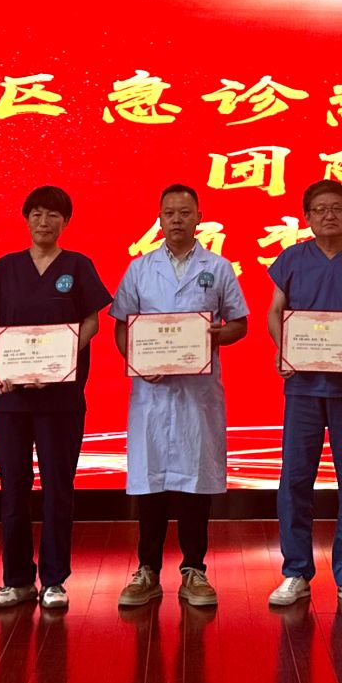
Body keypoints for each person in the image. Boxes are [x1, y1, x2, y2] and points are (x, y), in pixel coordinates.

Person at [0, 185, 113, 612]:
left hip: (61, 398)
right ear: (26, 219)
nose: (44, 222)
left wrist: (61, 360)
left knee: (57, 488)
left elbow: (92, 320)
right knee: (13, 488)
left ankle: (54, 579)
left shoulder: (78, 265)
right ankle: (16, 580)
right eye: (36, 214)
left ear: (65, 222)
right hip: (11, 399)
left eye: (53, 215)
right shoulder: (6, 267)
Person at [110, 184, 250, 608]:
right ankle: (147, 569)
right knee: (150, 481)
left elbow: (239, 323)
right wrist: (138, 360)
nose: (177, 220)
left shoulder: (218, 267)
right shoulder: (139, 268)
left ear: (198, 217)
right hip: (151, 392)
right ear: (159, 218)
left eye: (185, 213)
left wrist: (217, 335)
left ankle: (194, 570)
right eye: (169, 213)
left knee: (195, 481)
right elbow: (122, 325)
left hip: (197, 393)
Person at [264, 179, 342, 611]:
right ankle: (296, 571)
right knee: (295, 479)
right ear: (307, 217)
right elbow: (275, 311)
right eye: (319, 209)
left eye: (337, 207)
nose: (329, 215)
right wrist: (283, 347)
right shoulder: (292, 259)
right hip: (303, 385)